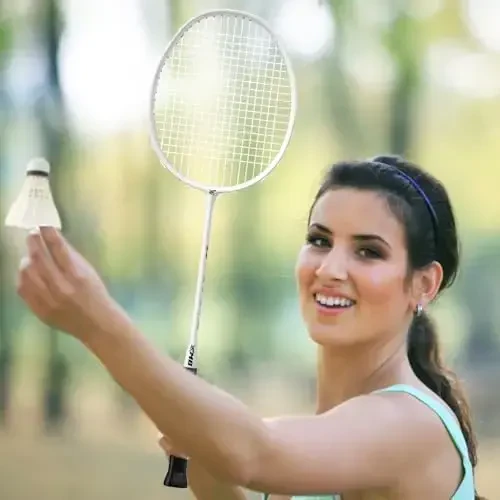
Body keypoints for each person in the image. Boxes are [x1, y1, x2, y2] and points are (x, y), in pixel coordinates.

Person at [16, 155, 483, 499]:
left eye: (368, 251)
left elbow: (253, 453)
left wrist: (97, 323)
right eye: (319, 241)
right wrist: (207, 461)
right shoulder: (320, 439)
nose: (330, 269)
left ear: (423, 284)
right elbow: (247, 454)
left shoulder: (412, 426)